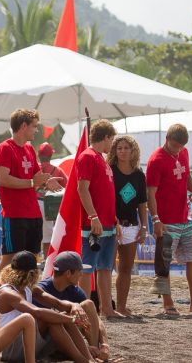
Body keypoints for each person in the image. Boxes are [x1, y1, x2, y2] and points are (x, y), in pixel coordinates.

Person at [146, 123, 192, 318]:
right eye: (175, 145)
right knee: (165, 262)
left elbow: (187, 176)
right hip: (166, 220)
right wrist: (155, 219)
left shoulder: (184, 153)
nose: (178, 149)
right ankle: (168, 303)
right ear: (167, 139)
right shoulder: (156, 160)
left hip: (185, 217)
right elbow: (150, 193)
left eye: (181, 146)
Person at [0, 108, 62, 287]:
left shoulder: (30, 149)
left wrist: (48, 181)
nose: (36, 130)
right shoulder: (4, 148)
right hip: (14, 214)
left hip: (33, 214)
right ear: (23, 126)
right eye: (34, 126)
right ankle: (0, 299)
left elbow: (36, 177)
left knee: (31, 259)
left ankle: (25, 295)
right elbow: (3, 179)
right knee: (9, 259)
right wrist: (33, 182)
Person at [0, 251, 95, 363]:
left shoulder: (29, 288)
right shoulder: (7, 292)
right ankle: (83, 360)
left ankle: (89, 359)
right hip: (6, 350)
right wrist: (73, 319)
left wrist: (75, 305)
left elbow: (57, 303)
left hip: (22, 344)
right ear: (33, 273)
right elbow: (37, 312)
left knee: (59, 317)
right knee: (52, 319)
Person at [75, 119, 123, 319]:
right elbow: (82, 188)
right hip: (93, 224)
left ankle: (107, 309)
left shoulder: (101, 159)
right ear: (106, 137)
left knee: (105, 268)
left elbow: (105, 194)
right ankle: (85, 311)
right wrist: (93, 216)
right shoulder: (87, 157)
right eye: (111, 140)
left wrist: (114, 219)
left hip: (108, 223)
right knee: (87, 268)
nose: (112, 144)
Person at [33, 251, 110, 361]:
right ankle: (87, 354)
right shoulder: (41, 290)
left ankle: (95, 353)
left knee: (88, 304)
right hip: (44, 343)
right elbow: (43, 329)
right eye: (79, 271)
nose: (81, 274)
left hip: (65, 338)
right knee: (60, 319)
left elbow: (96, 319)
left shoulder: (74, 289)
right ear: (68, 273)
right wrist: (83, 348)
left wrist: (104, 345)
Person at [108, 134, 148, 317]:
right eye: (119, 148)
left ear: (133, 151)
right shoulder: (109, 171)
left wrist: (144, 226)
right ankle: (106, 306)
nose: (123, 151)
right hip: (111, 225)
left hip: (131, 226)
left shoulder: (139, 175)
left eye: (126, 148)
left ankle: (122, 307)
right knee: (106, 268)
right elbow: (105, 200)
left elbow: (141, 203)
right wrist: (112, 220)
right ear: (114, 151)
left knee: (125, 268)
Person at [37, 142, 68, 258]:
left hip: (32, 204)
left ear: (39, 155)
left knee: (33, 236)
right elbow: (68, 187)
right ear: (51, 156)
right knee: (47, 238)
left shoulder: (34, 167)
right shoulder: (57, 170)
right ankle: (47, 261)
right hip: (48, 207)